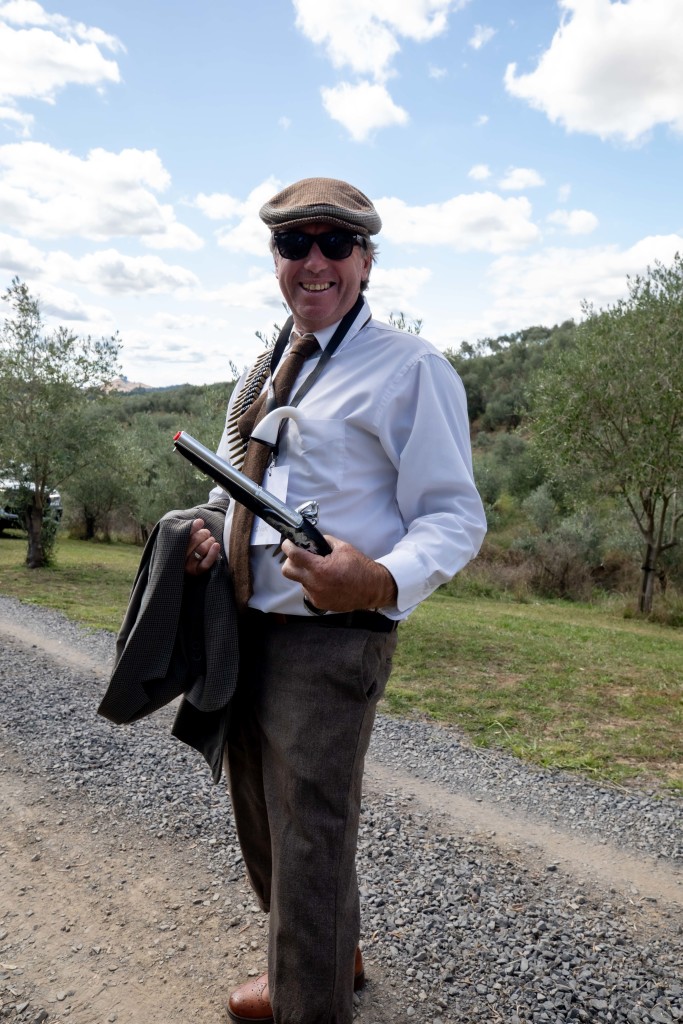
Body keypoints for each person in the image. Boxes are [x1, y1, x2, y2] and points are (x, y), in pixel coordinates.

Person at [183, 177, 486, 1024]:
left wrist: (379, 579)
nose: (313, 261)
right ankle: (328, 959)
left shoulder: (411, 368)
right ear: (275, 257)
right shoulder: (265, 368)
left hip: (332, 640)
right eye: (294, 244)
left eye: (334, 244)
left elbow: (454, 517)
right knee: (261, 819)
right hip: (242, 626)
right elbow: (240, 484)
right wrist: (212, 532)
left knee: (309, 838)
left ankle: (307, 1001)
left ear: (365, 260)